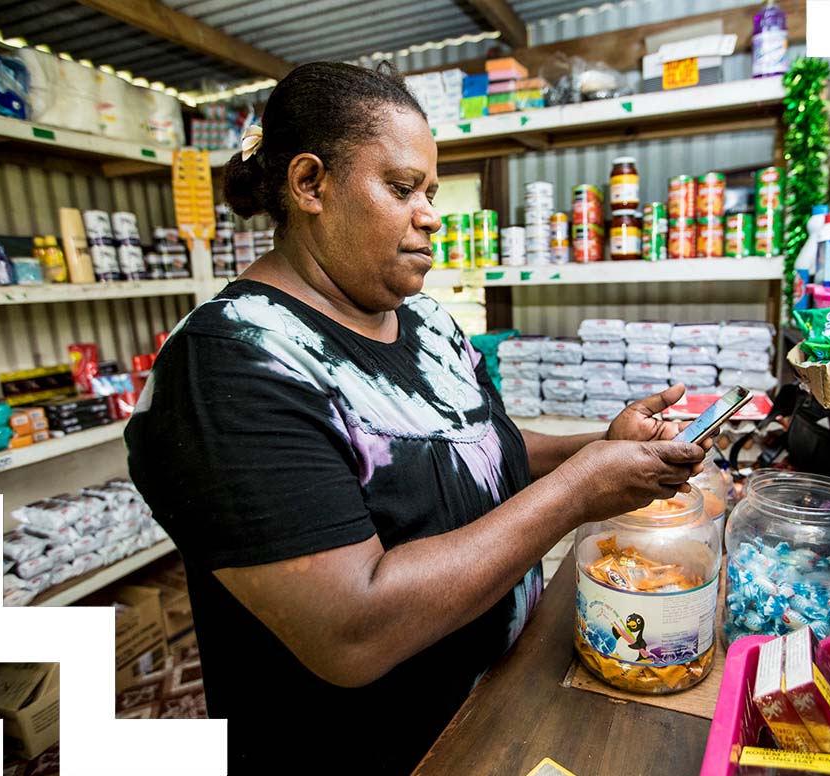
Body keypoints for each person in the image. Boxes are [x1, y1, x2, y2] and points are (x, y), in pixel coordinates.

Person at [125, 61, 706, 775]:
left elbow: (474, 444)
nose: (431, 214)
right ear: (311, 184)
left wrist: (598, 444)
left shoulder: (425, 321)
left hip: (491, 713)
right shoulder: (231, 365)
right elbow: (350, 631)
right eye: (401, 189)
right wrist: (579, 491)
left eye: (429, 191)